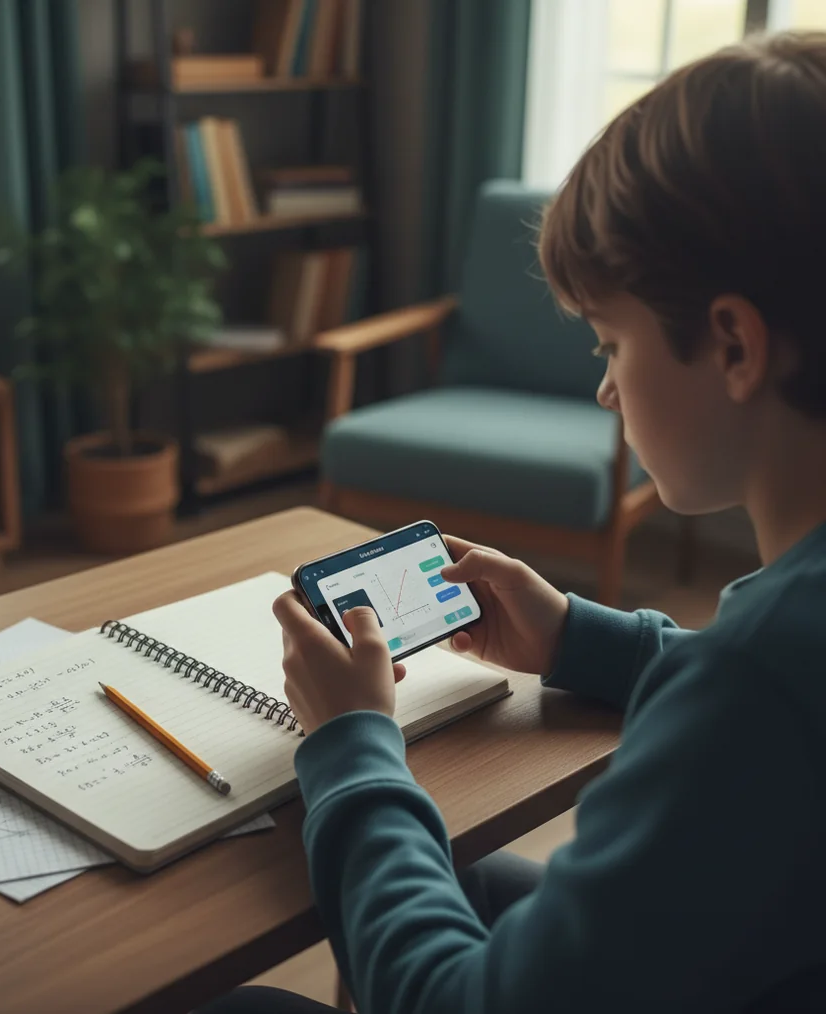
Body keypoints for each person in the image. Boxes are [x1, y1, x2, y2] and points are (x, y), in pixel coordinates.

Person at [197, 31, 826, 1014]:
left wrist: (354, 742)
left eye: (610, 343)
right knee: (466, 873)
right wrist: (579, 636)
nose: (608, 389)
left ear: (735, 344)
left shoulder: (754, 686)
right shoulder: (784, 642)